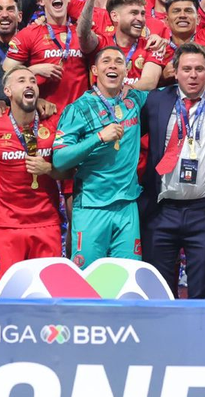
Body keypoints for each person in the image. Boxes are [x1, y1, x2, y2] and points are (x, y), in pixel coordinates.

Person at [139, 43, 205, 298]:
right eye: (186, 69)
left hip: (204, 212)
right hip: (161, 211)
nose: (193, 75)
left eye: (199, 69)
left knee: (203, 291)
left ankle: (200, 337)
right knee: (158, 291)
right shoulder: (156, 99)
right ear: (175, 71)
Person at [52, 46, 148, 267]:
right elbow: (59, 159)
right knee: (87, 283)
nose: (112, 65)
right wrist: (98, 138)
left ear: (126, 71)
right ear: (95, 70)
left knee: (126, 279)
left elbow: (172, 93)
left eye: (118, 61)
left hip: (127, 206)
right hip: (91, 207)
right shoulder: (78, 109)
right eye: (106, 61)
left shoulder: (134, 100)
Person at [0, 67, 66, 285]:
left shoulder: (54, 122)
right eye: (21, 81)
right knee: (5, 295)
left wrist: (48, 169)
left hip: (47, 224)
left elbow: (71, 171)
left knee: (48, 296)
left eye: (33, 82)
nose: (29, 84)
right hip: (6, 226)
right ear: (7, 91)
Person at [5, 0, 90, 110]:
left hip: (81, 119)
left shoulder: (83, 34)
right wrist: (33, 70)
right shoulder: (27, 35)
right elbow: (6, 75)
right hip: (46, 118)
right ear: (41, 0)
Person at [79, 0, 169, 90]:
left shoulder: (151, 46)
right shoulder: (101, 43)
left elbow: (150, 81)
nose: (140, 19)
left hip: (137, 105)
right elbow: (83, 34)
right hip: (99, 104)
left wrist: (124, 91)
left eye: (142, 14)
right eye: (134, 13)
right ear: (115, 16)